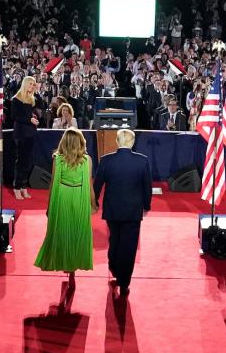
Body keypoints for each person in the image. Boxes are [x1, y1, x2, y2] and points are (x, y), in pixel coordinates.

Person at [93, 127, 154, 294]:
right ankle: (124, 280)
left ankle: (114, 267)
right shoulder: (142, 161)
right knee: (129, 245)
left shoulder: (106, 160)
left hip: (112, 209)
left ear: (117, 141)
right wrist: (147, 206)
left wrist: (94, 203)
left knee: (114, 239)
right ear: (132, 142)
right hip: (133, 211)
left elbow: (97, 185)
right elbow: (147, 187)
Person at [33, 126, 95, 282]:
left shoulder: (58, 159)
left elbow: (53, 183)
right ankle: (73, 266)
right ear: (81, 142)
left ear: (64, 142)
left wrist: (49, 207)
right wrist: (93, 204)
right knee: (77, 231)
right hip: (79, 197)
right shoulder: (87, 160)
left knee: (63, 231)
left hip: (62, 198)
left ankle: (67, 264)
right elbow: (89, 185)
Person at [11, 75, 41, 199]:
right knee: (21, 162)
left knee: (28, 161)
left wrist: (33, 118)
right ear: (25, 84)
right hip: (21, 134)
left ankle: (23, 187)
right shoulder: (16, 99)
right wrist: (30, 119)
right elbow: (15, 116)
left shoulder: (31, 99)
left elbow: (34, 112)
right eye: (31, 84)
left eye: (34, 85)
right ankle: (17, 187)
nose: (33, 86)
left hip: (30, 133)